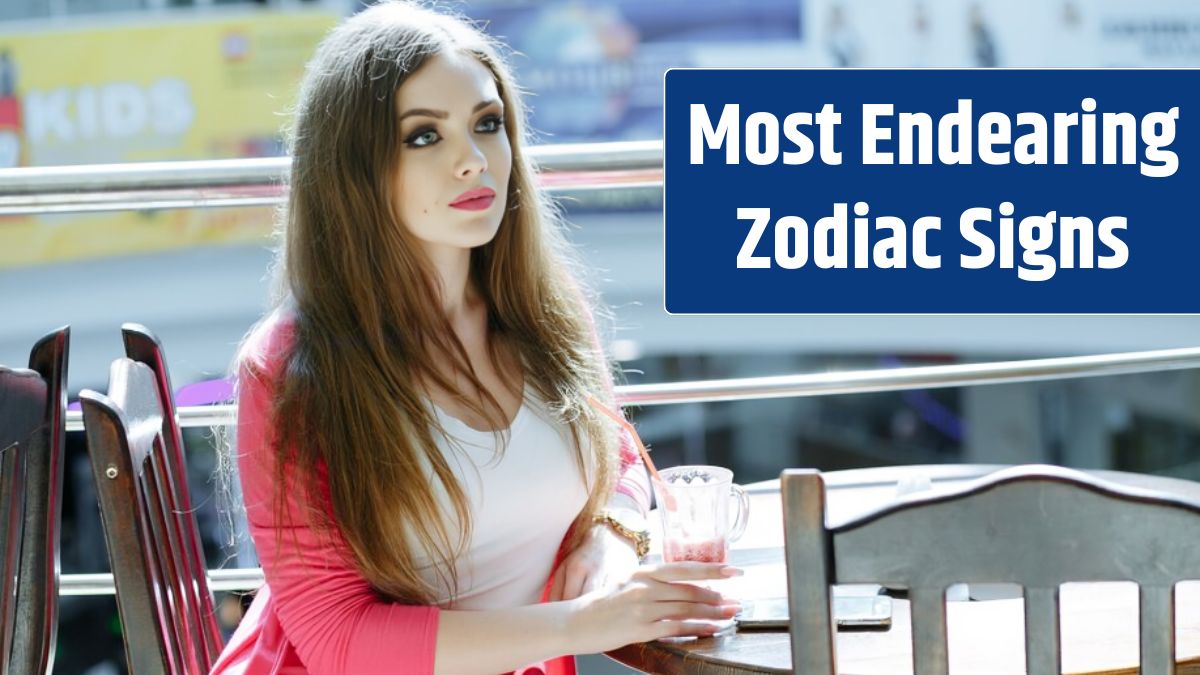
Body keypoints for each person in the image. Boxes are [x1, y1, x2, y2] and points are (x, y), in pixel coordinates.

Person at [209, 2, 741, 674]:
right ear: (352, 170)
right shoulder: (287, 366)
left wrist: (614, 535)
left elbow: (618, 459)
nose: (473, 160)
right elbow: (337, 639)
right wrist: (583, 622)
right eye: (424, 136)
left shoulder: (544, 309)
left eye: (487, 125)